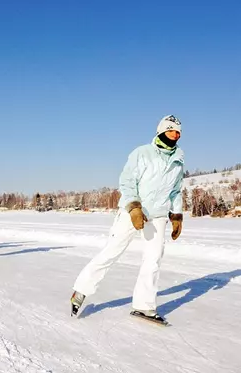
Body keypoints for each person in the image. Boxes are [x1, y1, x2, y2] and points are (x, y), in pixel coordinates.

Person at [70, 115, 184, 323]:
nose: (175, 135)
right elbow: (127, 182)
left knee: (153, 260)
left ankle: (144, 305)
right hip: (131, 212)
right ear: (161, 131)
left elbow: (175, 191)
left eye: (178, 132)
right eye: (171, 130)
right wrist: (134, 207)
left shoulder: (178, 160)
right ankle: (80, 291)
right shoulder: (142, 153)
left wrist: (176, 215)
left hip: (157, 215)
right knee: (112, 252)